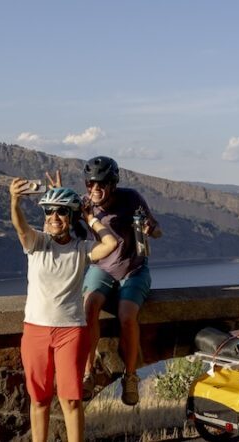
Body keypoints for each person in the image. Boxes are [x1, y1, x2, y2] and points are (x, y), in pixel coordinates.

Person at [10, 180, 117, 442]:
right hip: (35, 330)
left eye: (60, 211)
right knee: (40, 400)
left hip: (70, 331)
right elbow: (20, 227)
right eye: (49, 212)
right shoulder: (37, 243)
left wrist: (89, 216)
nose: (54, 217)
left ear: (70, 216)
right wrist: (14, 201)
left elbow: (111, 243)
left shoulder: (81, 249)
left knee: (71, 400)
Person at [79, 156, 162, 405]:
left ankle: (131, 376)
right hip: (102, 268)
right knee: (89, 308)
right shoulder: (85, 205)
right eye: (90, 184)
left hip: (133, 269)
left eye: (100, 184)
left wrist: (149, 229)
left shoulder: (131, 198)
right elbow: (59, 231)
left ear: (112, 184)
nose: (95, 190)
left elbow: (158, 231)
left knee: (127, 316)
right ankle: (87, 372)